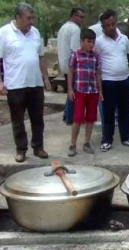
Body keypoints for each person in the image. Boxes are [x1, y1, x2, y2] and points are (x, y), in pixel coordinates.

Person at [0, 3, 51, 162]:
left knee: (38, 119)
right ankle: (21, 150)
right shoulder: (4, 33)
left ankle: (38, 147)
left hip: (35, 83)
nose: (32, 21)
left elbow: (41, 57)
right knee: (17, 120)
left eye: (33, 17)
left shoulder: (35, 33)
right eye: (29, 18)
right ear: (18, 17)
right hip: (15, 85)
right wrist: (0, 82)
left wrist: (46, 78)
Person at [94, 10, 129, 152]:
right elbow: (96, 62)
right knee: (108, 113)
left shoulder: (124, 39)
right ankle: (107, 140)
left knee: (125, 111)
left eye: (113, 24)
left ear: (116, 22)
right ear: (103, 27)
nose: (111, 27)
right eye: (107, 25)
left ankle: (126, 138)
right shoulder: (99, 42)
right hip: (108, 82)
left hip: (124, 80)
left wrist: (122, 67)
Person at [67, 29, 102, 157]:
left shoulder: (96, 56)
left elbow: (98, 74)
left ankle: (87, 142)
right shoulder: (75, 55)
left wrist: (100, 91)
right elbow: (70, 72)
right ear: (82, 41)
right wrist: (70, 89)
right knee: (77, 118)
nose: (91, 44)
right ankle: (72, 144)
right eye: (88, 41)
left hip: (93, 91)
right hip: (80, 91)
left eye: (93, 42)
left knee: (91, 118)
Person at [57, 7, 84, 125]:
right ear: (73, 15)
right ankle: (70, 118)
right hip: (72, 65)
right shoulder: (75, 29)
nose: (82, 19)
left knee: (70, 91)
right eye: (80, 17)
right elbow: (75, 50)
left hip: (64, 63)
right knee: (74, 93)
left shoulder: (63, 27)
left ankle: (66, 114)